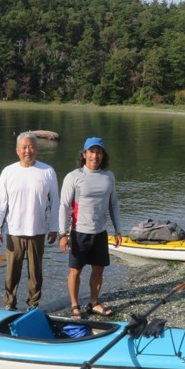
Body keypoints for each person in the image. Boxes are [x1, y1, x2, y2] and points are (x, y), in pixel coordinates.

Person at [0, 132, 60, 310]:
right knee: (12, 272)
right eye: (24, 147)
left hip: (37, 231)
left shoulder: (48, 171)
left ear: (36, 150)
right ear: (17, 150)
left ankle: (33, 304)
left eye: (31, 147)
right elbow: (0, 203)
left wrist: (54, 228)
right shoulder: (8, 172)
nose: (27, 151)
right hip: (14, 231)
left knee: (35, 272)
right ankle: (9, 303)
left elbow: (55, 203)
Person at [58, 137, 122, 319]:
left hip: (100, 232)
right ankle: (74, 305)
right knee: (75, 271)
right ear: (84, 154)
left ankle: (94, 302)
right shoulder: (74, 176)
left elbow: (113, 204)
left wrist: (118, 229)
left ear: (103, 155)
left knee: (98, 269)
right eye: (92, 152)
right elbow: (64, 205)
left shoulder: (108, 176)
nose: (95, 156)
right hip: (79, 232)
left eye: (99, 152)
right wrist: (63, 234)